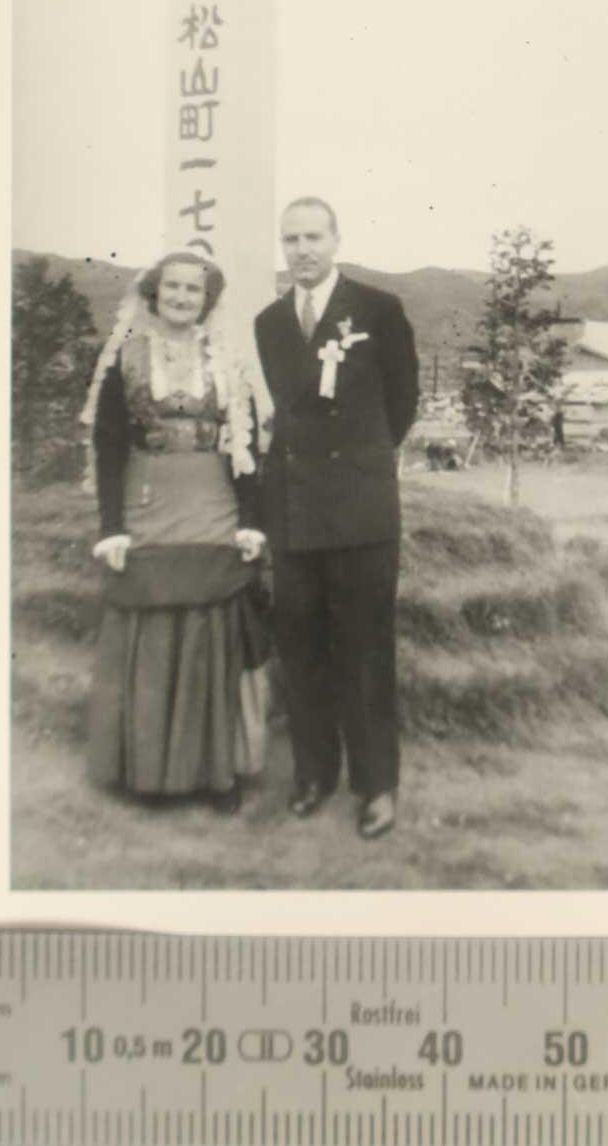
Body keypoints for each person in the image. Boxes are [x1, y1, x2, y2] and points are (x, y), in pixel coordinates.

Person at [80, 250, 268, 814]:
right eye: (173, 289)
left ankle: (217, 773)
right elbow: (109, 445)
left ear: (207, 300)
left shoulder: (227, 362)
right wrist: (111, 527)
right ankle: (148, 772)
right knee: (154, 630)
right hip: (148, 500)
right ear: (154, 295)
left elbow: (247, 445)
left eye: (193, 290)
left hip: (213, 502)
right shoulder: (126, 358)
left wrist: (252, 520)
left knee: (213, 629)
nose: (183, 298)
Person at [254, 197, 419, 840]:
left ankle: (376, 785)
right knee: (301, 649)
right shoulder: (270, 322)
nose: (302, 250)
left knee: (364, 650)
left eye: (313, 237)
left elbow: (399, 406)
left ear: (336, 239)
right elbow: (289, 411)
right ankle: (314, 773)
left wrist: (360, 465)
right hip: (293, 511)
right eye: (291, 239)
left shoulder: (378, 310)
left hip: (360, 510)